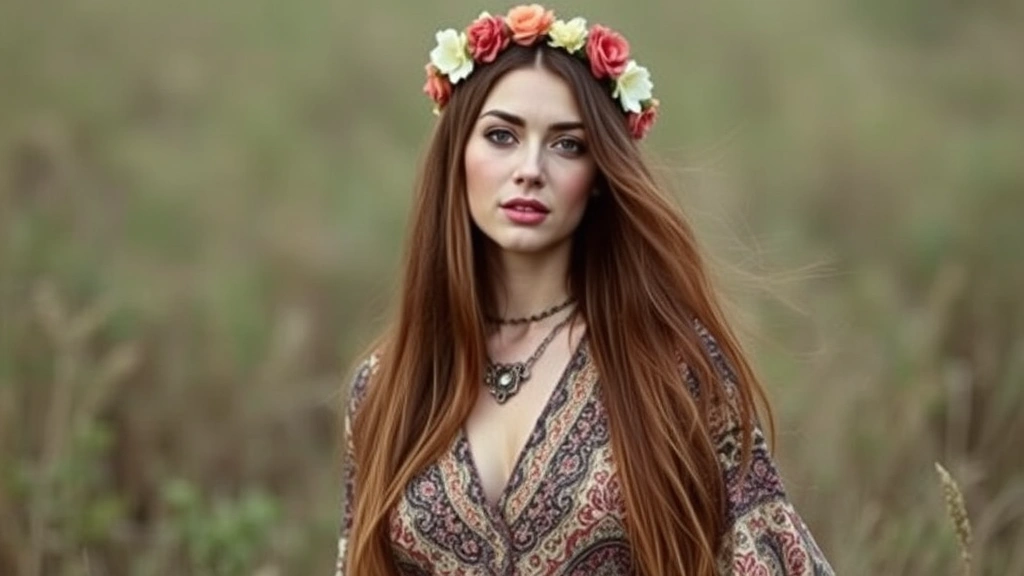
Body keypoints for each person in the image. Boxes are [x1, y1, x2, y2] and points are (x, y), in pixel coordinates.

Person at [335, 4, 833, 575]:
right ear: (458, 157)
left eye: (567, 145)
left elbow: (777, 560)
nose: (530, 168)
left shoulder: (673, 369)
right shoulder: (384, 388)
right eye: (501, 135)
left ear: (598, 178)